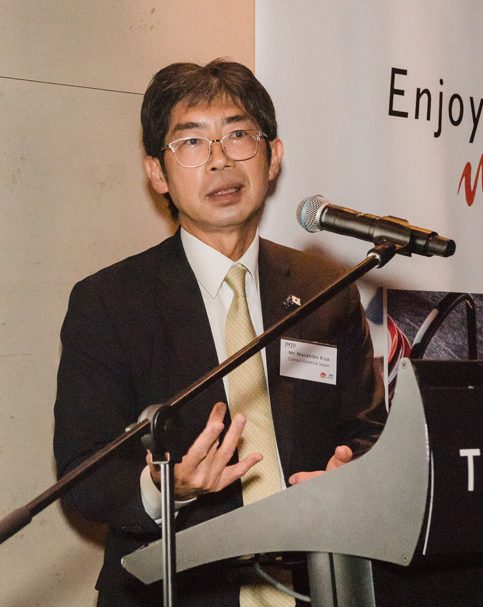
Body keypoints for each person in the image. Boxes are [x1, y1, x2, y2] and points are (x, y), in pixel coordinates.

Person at [53, 59, 386, 607]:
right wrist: (165, 489)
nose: (219, 159)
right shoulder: (109, 302)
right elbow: (82, 471)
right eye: (191, 142)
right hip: (175, 590)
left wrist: (353, 472)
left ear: (273, 157)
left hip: (317, 585)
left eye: (238, 135)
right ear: (157, 173)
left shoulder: (326, 287)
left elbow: (369, 430)